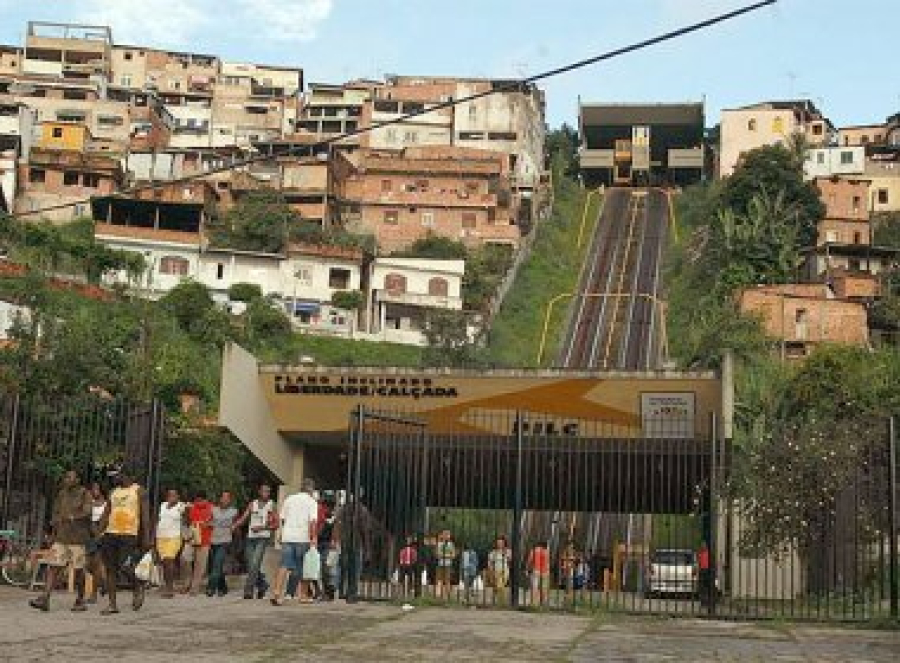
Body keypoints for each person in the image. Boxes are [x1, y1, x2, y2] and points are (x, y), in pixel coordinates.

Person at [29, 469, 92, 612]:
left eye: (70, 477)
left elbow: (88, 511)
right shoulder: (62, 494)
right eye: (66, 477)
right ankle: (45, 598)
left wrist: (73, 516)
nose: (66, 479)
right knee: (53, 566)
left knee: (78, 571)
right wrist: (53, 531)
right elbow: (56, 513)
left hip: (78, 539)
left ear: (78, 480)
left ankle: (80, 600)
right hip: (61, 537)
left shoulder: (84, 494)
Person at [99, 466, 151, 615]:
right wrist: (99, 531)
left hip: (129, 534)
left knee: (125, 565)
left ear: (129, 476)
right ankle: (112, 604)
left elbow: (145, 516)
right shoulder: (113, 492)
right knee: (110, 569)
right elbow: (106, 513)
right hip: (111, 533)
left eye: (120, 475)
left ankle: (137, 584)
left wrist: (146, 538)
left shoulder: (139, 491)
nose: (117, 478)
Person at [270, 478, 318, 606]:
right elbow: (312, 522)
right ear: (311, 489)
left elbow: (282, 519)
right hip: (303, 538)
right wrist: (313, 538)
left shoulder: (289, 499)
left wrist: (281, 534)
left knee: (284, 565)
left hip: (288, 537)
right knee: (304, 568)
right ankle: (303, 595)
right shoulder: (312, 502)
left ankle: (276, 593)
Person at [233, 483, 276, 600]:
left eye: (268, 491)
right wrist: (235, 525)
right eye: (264, 491)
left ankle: (248, 590)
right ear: (259, 492)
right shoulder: (253, 504)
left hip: (263, 538)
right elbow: (244, 517)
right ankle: (263, 584)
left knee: (255, 563)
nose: (266, 493)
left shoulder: (272, 505)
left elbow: (275, 524)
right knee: (251, 565)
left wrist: (262, 528)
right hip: (250, 537)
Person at [155, 488, 186, 598]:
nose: (171, 497)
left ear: (178, 496)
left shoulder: (181, 506)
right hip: (160, 537)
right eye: (169, 495)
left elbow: (186, 519)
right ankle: (167, 586)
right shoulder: (163, 505)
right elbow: (158, 520)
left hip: (174, 537)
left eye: (174, 495)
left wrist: (187, 511)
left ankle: (170, 589)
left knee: (169, 560)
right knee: (164, 563)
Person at [207, 491, 238, 597]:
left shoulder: (234, 511)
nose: (225, 500)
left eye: (227, 498)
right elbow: (209, 521)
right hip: (213, 540)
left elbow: (236, 525)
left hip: (225, 540)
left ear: (230, 500)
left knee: (217, 563)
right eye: (223, 497)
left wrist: (234, 529)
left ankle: (211, 587)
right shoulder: (213, 509)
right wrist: (208, 523)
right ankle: (222, 588)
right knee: (218, 565)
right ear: (220, 499)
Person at [185, 491, 213, 596]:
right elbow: (188, 521)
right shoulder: (192, 507)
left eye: (200, 500)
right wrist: (186, 512)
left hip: (205, 539)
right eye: (197, 500)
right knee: (184, 558)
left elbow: (216, 522)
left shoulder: (212, 508)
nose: (198, 503)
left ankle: (194, 588)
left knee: (199, 565)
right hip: (192, 538)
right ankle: (187, 583)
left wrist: (208, 524)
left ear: (205, 500)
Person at [85, 481, 108, 604]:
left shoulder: (107, 504)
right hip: (89, 535)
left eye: (96, 488)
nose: (94, 491)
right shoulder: (89, 503)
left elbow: (107, 520)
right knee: (88, 565)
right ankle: (104, 582)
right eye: (92, 488)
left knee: (96, 565)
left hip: (102, 536)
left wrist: (99, 530)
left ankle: (93, 595)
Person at [434, 529, 456, 599]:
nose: (446, 536)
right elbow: (437, 555)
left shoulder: (451, 544)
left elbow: (453, 555)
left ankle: (448, 594)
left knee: (447, 580)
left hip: (448, 564)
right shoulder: (439, 544)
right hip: (440, 564)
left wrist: (444, 556)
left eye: (447, 534)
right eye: (445, 534)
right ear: (442, 535)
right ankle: (438, 594)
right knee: (439, 579)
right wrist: (447, 555)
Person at [528, 541, 551, 607]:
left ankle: (534, 603)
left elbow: (530, 560)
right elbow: (547, 562)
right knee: (544, 587)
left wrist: (528, 568)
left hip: (536, 570)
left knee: (534, 587)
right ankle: (543, 602)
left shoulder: (534, 550)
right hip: (545, 571)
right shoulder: (546, 551)